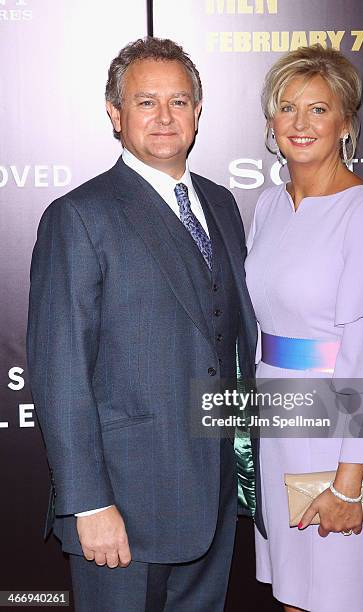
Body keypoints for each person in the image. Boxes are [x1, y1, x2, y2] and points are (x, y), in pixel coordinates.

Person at [26, 37, 257, 612]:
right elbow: (61, 373)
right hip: (121, 511)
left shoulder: (222, 204)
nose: (164, 116)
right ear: (115, 114)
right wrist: (88, 503)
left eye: (179, 102)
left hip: (214, 495)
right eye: (145, 101)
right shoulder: (79, 216)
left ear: (198, 114)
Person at [245, 45, 363, 612]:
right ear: (271, 122)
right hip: (276, 420)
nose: (300, 123)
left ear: (346, 123)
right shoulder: (268, 206)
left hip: (336, 433)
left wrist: (348, 482)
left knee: (332, 596)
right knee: (292, 594)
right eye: (287, 108)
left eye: (318, 109)